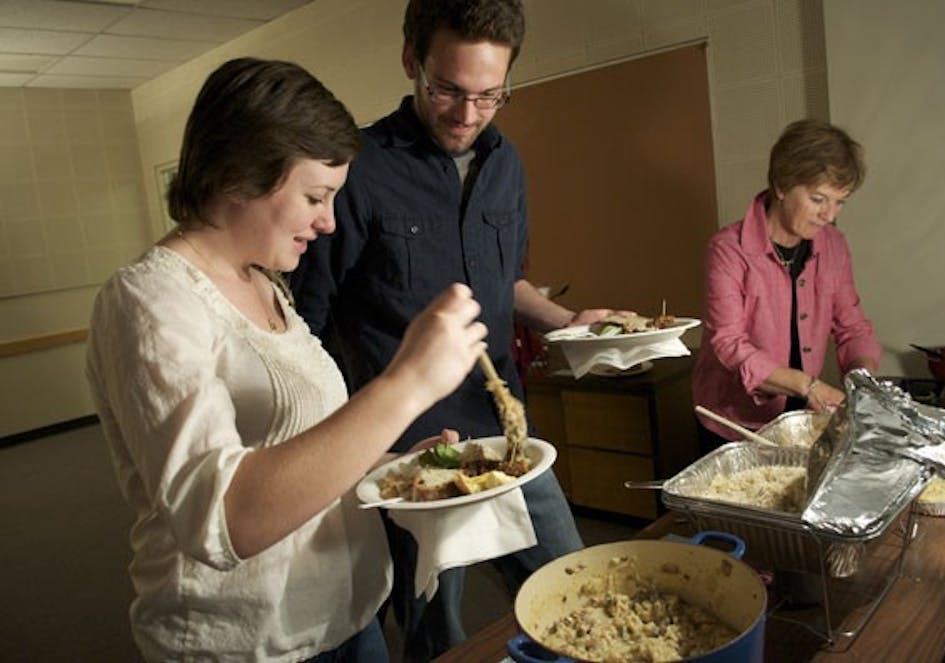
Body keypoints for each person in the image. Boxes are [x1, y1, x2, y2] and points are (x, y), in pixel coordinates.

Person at [85, 57, 488, 663]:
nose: (327, 222)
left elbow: (299, 444)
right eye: (315, 197)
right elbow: (225, 519)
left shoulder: (268, 283)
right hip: (249, 643)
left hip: (345, 616)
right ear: (241, 175)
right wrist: (407, 384)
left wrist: (396, 461)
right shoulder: (148, 302)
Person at [289, 1, 624, 659]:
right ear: (412, 61)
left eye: (490, 96)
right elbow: (308, 325)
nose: (467, 115)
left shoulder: (507, 165)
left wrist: (563, 321)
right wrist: (341, 447)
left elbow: (500, 287)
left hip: (507, 431)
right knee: (437, 637)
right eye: (448, 90)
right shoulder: (356, 170)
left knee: (583, 594)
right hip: (410, 456)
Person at [692, 119, 882, 453]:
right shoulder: (728, 249)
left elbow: (852, 327)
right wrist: (807, 386)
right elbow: (728, 343)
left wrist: (861, 381)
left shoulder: (834, 246)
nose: (829, 214)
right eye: (818, 199)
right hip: (734, 421)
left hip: (800, 413)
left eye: (840, 202)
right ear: (782, 185)